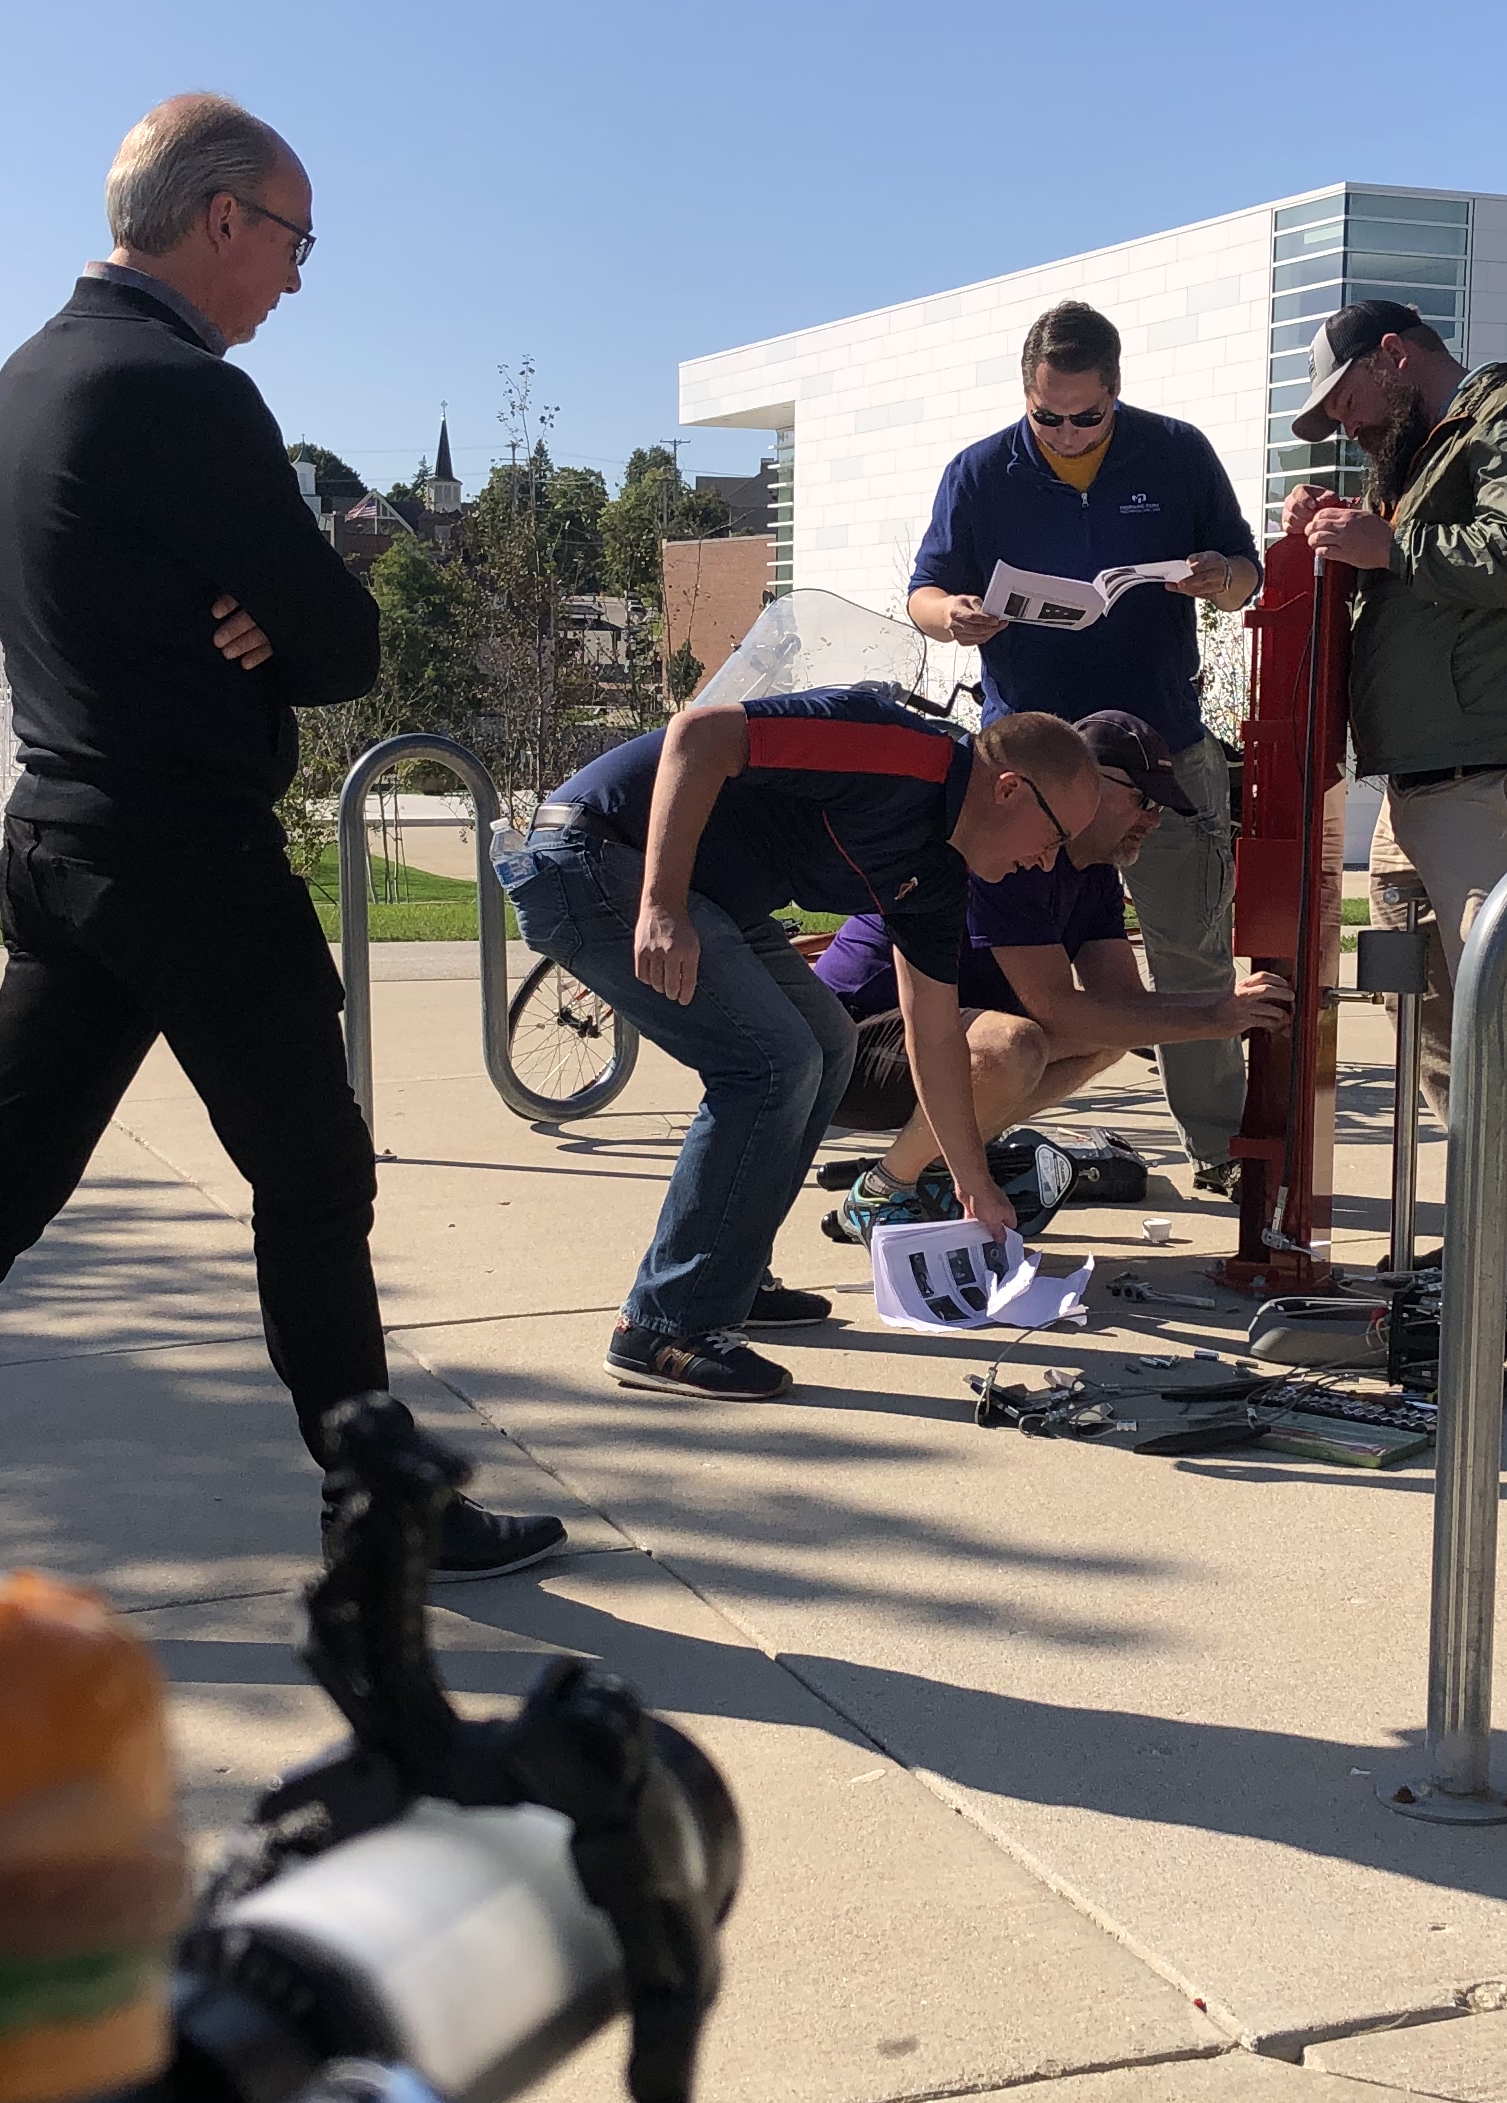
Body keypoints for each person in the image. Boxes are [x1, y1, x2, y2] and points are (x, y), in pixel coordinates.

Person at [0, 92, 563, 1576]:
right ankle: (374, 1510)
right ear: (222, 219)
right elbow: (345, 643)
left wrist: (261, 616)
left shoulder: (27, 377)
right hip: (186, 858)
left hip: (61, 844)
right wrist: (276, 618)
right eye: (293, 242)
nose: (291, 276)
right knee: (317, 1176)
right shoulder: (185, 391)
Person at [504, 692, 1102, 1400]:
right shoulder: (904, 752)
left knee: (826, 1042)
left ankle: (728, 1275)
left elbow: (934, 1034)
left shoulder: (939, 875)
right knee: (770, 1063)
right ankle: (663, 1327)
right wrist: (661, 902)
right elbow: (700, 735)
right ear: (1009, 789)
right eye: (1055, 838)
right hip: (596, 855)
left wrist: (974, 1184)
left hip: (713, 898)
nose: (1045, 863)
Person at [1287, 298, 1507, 1340]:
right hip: (1429, 786)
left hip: (1504, 780)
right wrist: (1350, 531)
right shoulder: (1432, 454)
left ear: (1394, 357)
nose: (1344, 425)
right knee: (1436, 1024)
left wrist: (1384, 543)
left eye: (1345, 402)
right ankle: (1502, 1232)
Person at [904, 300, 1259, 1191]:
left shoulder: (1176, 451)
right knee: (999, 965)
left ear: (1117, 394)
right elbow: (923, 590)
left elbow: (1248, 570)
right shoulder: (980, 472)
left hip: (1159, 755)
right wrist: (952, 618)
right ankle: (950, 1140)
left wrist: (1219, 580)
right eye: (1045, 416)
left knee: (1188, 950)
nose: (1065, 432)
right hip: (1027, 773)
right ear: (1026, 397)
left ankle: (1217, 1147)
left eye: (1086, 417)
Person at [815, 710, 1291, 1232]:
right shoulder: (1016, 853)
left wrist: (1227, 1010)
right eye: (1144, 800)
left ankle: (929, 1169)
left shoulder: (1093, 873)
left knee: (1106, 1036)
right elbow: (1055, 1009)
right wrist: (1216, 1016)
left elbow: (1120, 1010)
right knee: (1014, 1046)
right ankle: (886, 1189)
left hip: (927, 1044)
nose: (1153, 820)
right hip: (845, 1046)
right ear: (1090, 785)